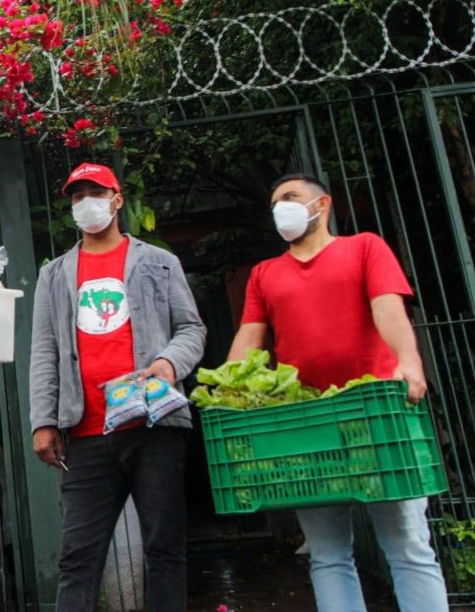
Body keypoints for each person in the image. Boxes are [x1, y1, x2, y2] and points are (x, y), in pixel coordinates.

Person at [227, 173, 449, 612]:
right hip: (308, 423)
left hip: (377, 412)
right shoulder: (264, 274)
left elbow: (388, 307)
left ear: (321, 204)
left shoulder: (364, 247)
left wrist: (409, 360)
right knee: (327, 554)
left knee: (407, 544)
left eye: (290, 198)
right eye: (274, 203)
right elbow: (249, 340)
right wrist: (226, 392)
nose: (281, 209)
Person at [28, 162, 207, 612]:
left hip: (156, 425)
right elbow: (44, 351)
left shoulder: (159, 262)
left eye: (95, 191)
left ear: (117, 199)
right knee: (77, 558)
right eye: (77, 195)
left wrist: (168, 363)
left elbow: (191, 329)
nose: (85, 202)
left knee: (165, 547)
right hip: (86, 433)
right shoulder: (54, 275)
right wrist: (43, 421)